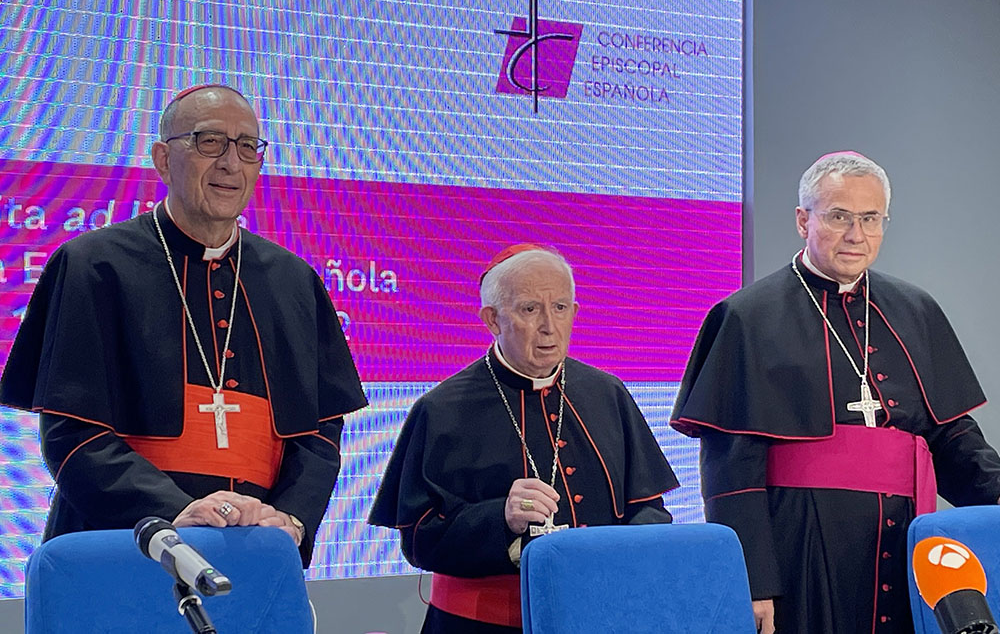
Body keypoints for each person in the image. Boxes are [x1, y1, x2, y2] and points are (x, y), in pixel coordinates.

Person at [0, 84, 367, 566]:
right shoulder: (94, 265)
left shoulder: (293, 279)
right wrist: (176, 512)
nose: (231, 164)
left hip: (258, 549)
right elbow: (72, 432)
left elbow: (319, 430)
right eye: (209, 141)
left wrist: (290, 519)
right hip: (125, 543)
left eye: (246, 146)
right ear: (162, 158)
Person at [671, 151, 1000, 633]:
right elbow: (731, 465)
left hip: (903, 538)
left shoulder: (915, 308)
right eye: (839, 216)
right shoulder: (748, 316)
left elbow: (951, 437)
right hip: (800, 544)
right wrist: (753, 578)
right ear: (803, 220)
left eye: (870, 218)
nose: (856, 234)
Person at [369, 244, 679, 633]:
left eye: (561, 308)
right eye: (530, 309)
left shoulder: (607, 393)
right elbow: (418, 539)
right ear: (492, 320)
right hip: (482, 624)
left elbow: (648, 505)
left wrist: (633, 558)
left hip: (600, 616)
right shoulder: (442, 409)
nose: (549, 326)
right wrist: (500, 518)